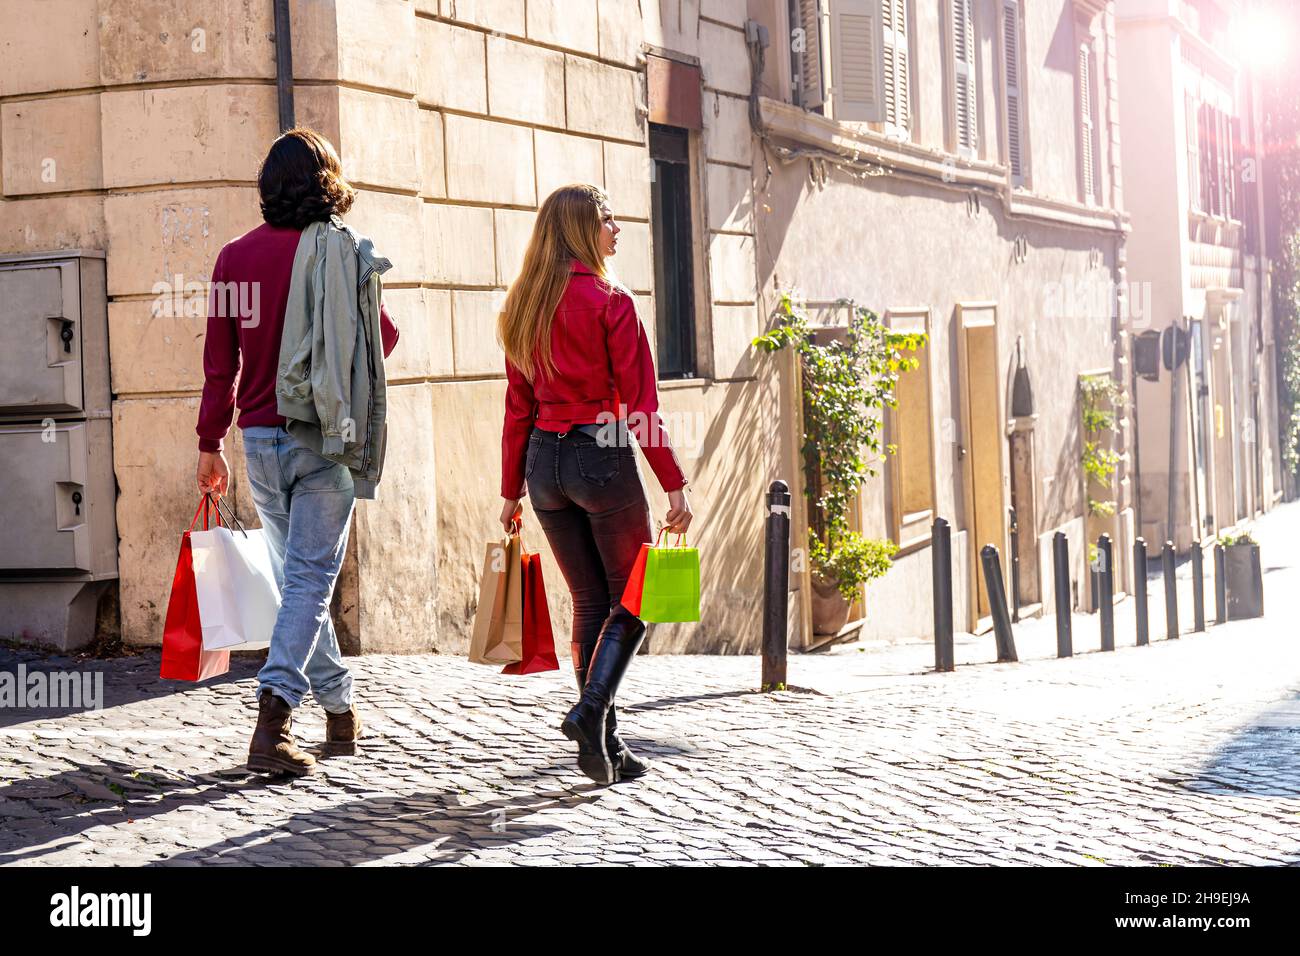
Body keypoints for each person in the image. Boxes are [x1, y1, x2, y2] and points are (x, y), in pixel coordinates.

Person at [195, 128, 400, 776]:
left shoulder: (233, 258)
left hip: (256, 442)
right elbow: (382, 342)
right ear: (327, 186)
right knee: (309, 582)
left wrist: (209, 445)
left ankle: (339, 714)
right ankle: (272, 724)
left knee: (297, 583)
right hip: (322, 442)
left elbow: (215, 366)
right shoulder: (341, 252)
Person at [498, 183, 694, 785]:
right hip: (602, 457)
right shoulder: (612, 301)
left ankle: (600, 746)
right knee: (632, 599)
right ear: (585, 230)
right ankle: (590, 711)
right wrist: (674, 485)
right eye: (609, 219)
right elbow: (640, 405)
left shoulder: (523, 306)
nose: (618, 229)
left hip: (544, 464)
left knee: (590, 602)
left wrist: (510, 492)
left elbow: (517, 406)